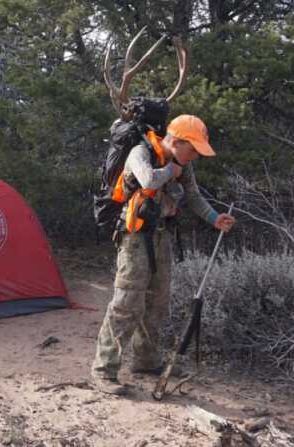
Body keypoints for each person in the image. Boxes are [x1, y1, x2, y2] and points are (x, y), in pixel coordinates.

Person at [91, 114, 236, 395]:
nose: (194, 156)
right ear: (177, 141)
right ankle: (104, 370)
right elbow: (147, 179)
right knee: (126, 302)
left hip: (162, 236)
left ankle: (145, 360)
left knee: (157, 301)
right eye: (192, 149)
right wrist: (172, 171)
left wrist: (215, 218)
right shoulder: (140, 151)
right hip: (134, 237)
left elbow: (192, 196)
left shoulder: (182, 165)